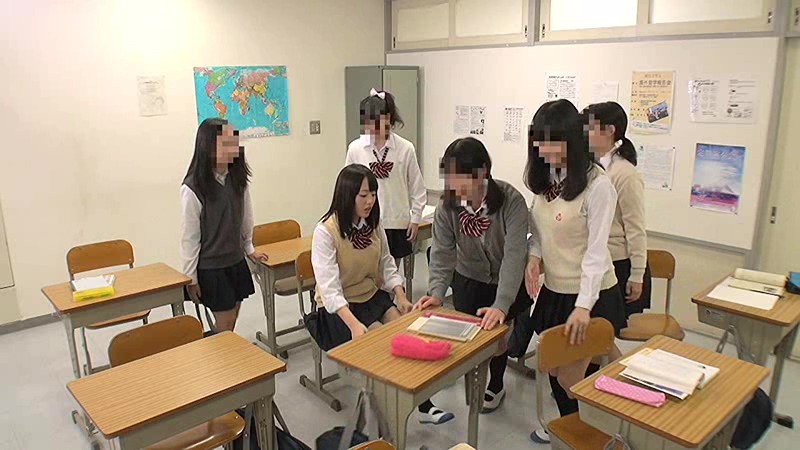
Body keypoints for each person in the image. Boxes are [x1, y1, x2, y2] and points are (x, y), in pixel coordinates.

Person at [524, 100, 625, 444]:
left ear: (572, 140)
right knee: (557, 370)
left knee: (570, 377)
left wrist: (584, 306)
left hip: (590, 295)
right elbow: (540, 229)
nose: (543, 151)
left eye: (551, 143)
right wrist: (534, 256)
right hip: (555, 292)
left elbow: (596, 252)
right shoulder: (548, 178)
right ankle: (589, 427)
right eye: (539, 143)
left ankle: (605, 429)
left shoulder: (598, 186)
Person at [414, 137, 531, 414]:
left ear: (482, 172)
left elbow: (514, 256)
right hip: (469, 277)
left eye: (461, 178)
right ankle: (470, 377)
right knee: (470, 336)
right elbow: (442, 252)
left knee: (498, 338)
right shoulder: (447, 206)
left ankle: (496, 384)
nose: (455, 186)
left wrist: (501, 304)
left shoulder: (511, 201)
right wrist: (436, 293)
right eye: (450, 178)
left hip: (506, 280)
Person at [181, 118, 267, 332]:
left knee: (232, 318)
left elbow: (246, 217)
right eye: (226, 143)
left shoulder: (237, 177)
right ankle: (220, 352)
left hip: (235, 260)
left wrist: (249, 248)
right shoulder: (193, 188)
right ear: (209, 148)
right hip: (212, 268)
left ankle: (220, 348)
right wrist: (191, 278)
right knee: (226, 323)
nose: (234, 148)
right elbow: (190, 237)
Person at [584, 101, 652, 319]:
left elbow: (635, 228)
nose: (585, 134)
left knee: (607, 330)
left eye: (590, 128)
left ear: (610, 130)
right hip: (598, 261)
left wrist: (637, 274)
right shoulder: (593, 168)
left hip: (620, 264)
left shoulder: (625, 173)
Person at [346, 89, 426, 267]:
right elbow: (347, 188)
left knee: (391, 272)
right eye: (368, 123)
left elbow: (417, 188)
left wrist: (415, 219)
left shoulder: (405, 148)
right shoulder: (356, 148)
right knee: (367, 271)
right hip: (365, 222)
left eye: (377, 122)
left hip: (397, 221)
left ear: (388, 118)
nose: (372, 128)